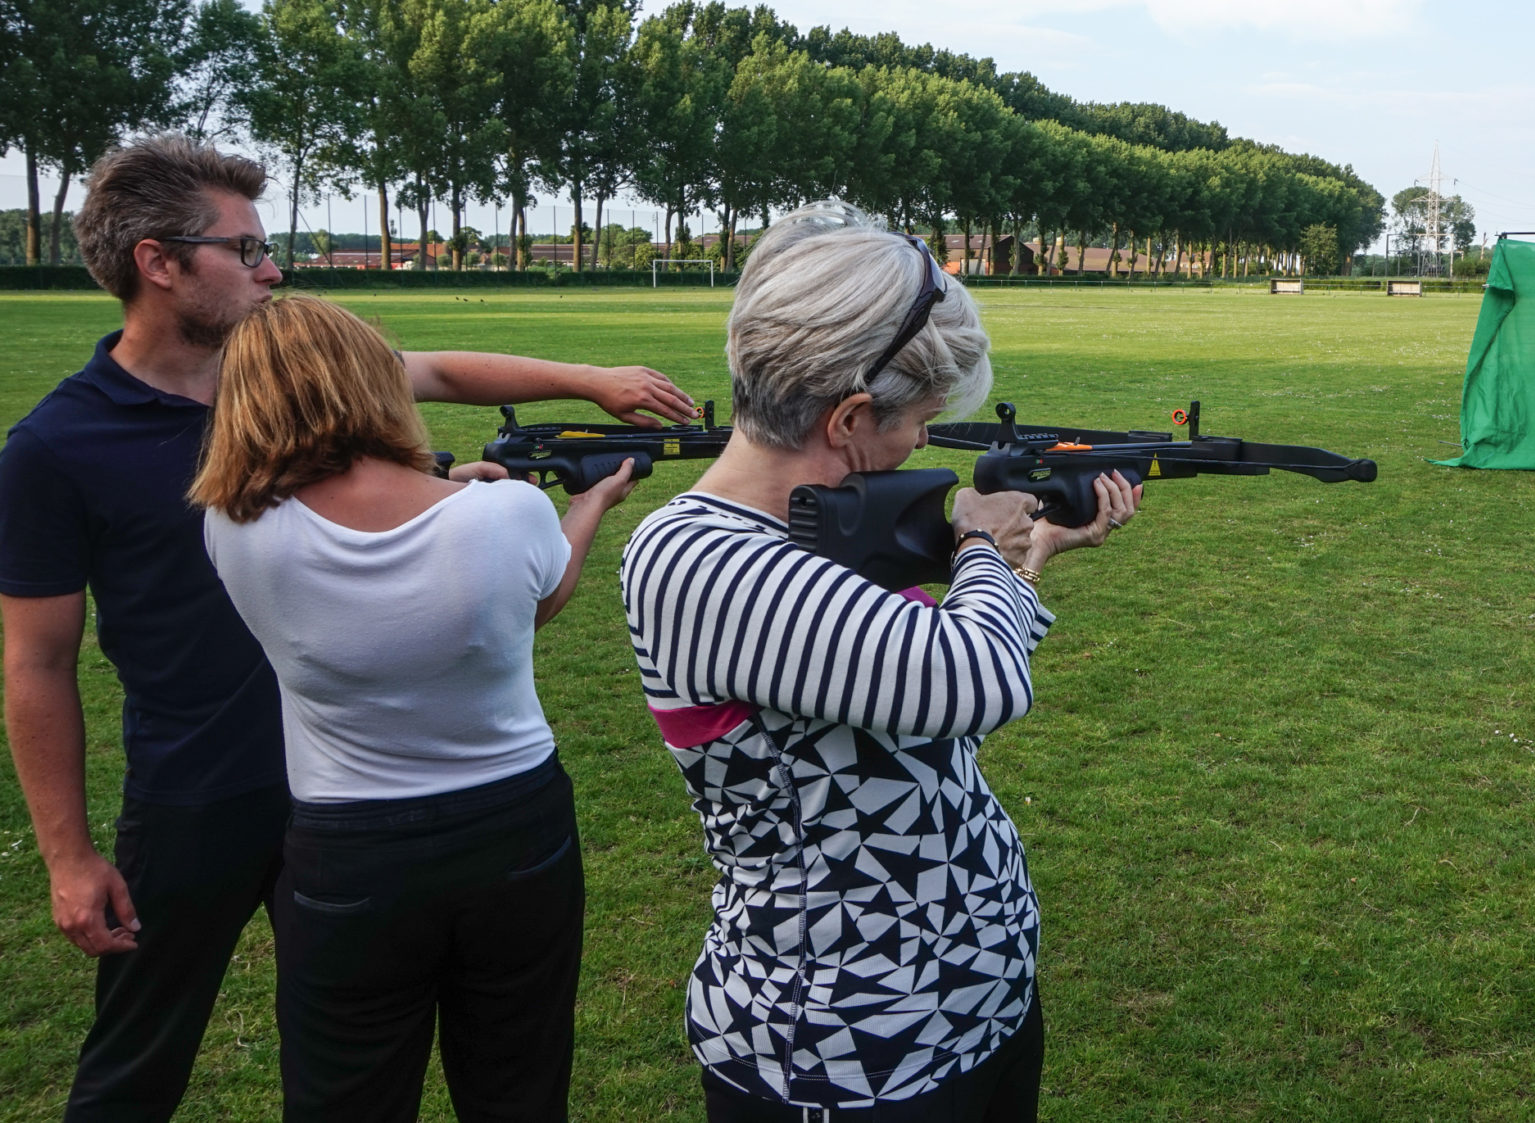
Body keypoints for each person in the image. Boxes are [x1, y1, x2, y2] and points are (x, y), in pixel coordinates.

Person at [0, 133, 696, 1122]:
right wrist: (69, 856)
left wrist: (587, 380)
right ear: (159, 262)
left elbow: (438, 373)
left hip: (351, 801)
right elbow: (35, 661)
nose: (271, 269)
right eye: (245, 249)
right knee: (136, 1062)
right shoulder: (57, 445)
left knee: (342, 1059)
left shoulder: (293, 382)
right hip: (200, 790)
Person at [620, 205, 1140, 1121]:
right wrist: (980, 543)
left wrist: (1035, 549)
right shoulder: (693, 557)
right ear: (851, 416)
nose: (922, 445)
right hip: (844, 1049)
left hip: (971, 1009)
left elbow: (918, 698)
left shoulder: (825, 531)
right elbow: (974, 681)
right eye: (921, 421)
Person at [193, 296, 635, 1120]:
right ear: (374, 381)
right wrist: (586, 509)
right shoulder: (507, 513)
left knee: (343, 1097)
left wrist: (445, 488)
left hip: (345, 852)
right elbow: (531, 603)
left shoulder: (231, 526)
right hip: (514, 831)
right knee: (519, 1086)